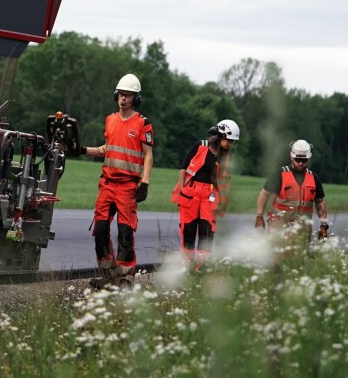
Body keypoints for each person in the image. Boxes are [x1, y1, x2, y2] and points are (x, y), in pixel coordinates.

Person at [80, 74, 154, 287]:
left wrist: (145, 182)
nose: (123, 99)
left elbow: (148, 155)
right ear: (116, 95)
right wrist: (83, 150)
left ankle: (125, 280)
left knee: (125, 234)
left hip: (128, 187)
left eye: (128, 96)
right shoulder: (110, 119)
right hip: (107, 184)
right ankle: (108, 277)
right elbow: (107, 149)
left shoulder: (143, 124)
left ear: (135, 99)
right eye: (121, 95)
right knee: (100, 232)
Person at [171, 119, 240, 267]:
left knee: (207, 232)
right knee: (188, 230)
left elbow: (225, 182)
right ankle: (187, 265)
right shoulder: (200, 146)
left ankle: (201, 267)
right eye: (228, 140)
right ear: (220, 136)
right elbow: (183, 168)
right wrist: (182, 189)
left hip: (211, 195)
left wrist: (223, 203)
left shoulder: (226, 157)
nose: (230, 144)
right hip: (191, 191)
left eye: (232, 142)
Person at [255, 139, 329, 255]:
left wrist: (324, 225)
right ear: (291, 157)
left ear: (308, 159)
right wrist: (259, 216)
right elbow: (265, 194)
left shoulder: (314, 178)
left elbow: (320, 203)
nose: (300, 163)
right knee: (278, 262)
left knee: (299, 264)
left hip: (303, 231)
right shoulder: (280, 174)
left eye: (303, 160)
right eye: (298, 159)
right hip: (279, 228)